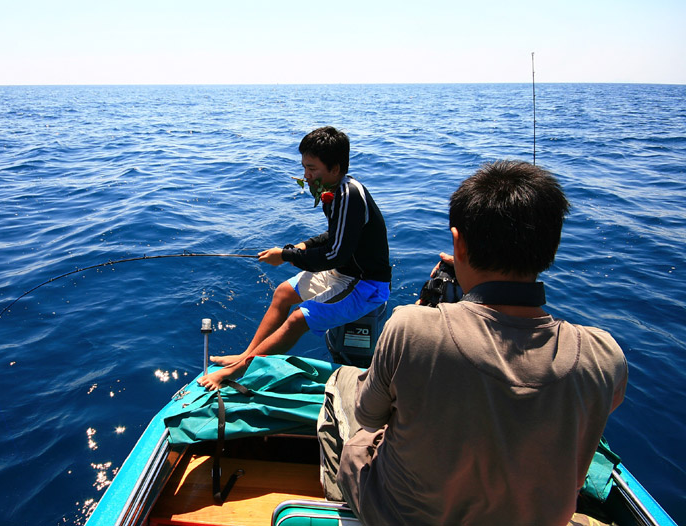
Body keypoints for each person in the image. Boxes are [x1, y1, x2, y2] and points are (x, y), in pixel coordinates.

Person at [318, 160, 628, 525]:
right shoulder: (604, 355)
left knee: (341, 384)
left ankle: (342, 504)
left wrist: (431, 312)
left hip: (406, 516)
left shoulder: (410, 327)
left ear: (458, 244)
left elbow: (370, 417)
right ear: (551, 248)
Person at [197, 126, 391, 391]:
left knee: (298, 319)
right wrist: (303, 246)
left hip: (365, 285)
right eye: (304, 167)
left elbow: (336, 254)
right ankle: (246, 355)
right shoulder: (335, 190)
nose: (306, 176)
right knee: (282, 293)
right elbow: (336, 235)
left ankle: (240, 368)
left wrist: (288, 255)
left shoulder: (349, 195)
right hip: (343, 273)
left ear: (335, 169)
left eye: (312, 169)